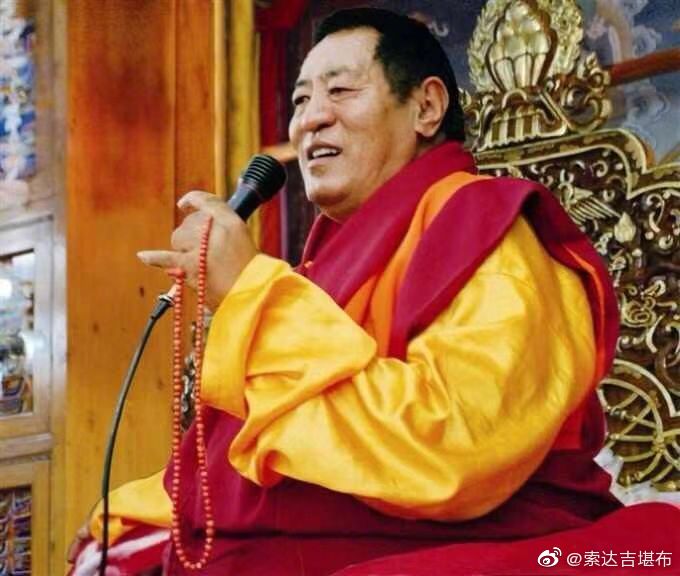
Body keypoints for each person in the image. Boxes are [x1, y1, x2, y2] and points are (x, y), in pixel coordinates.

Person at [69, 8, 679, 575]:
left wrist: (254, 294)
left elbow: (453, 449)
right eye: (300, 99)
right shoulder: (323, 268)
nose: (310, 118)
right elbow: (242, 461)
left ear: (426, 108)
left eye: (340, 91)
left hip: (463, 535)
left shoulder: (487, 228)